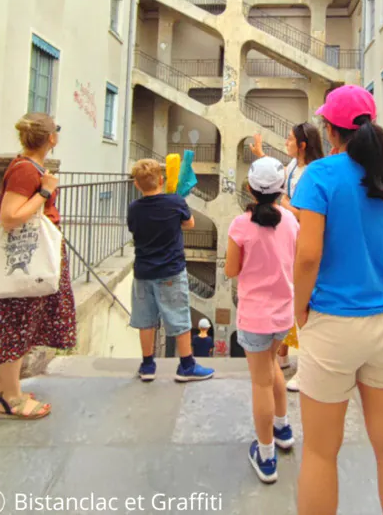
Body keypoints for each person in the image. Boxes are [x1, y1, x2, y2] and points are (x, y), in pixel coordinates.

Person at [292, 85, 383, 515]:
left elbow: (308, 254)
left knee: (320, 452)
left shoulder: (320, 176)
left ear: (330, 130)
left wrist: (298, 308)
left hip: (333, 323)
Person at [0, 113, 77, 419]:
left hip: (30, 257)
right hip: (25, 260)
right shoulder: (26, 170)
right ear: (51, 138)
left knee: (21, 324)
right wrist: (45, 191)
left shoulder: (29, 167)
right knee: (16, 325)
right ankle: (13, 400)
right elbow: (9, 216)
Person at [225, 157, 299, 484]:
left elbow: (230, 270)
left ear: (250, 189)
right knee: (271, 369)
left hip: (255, 316)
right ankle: (282, 428)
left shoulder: (240, 225)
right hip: (284, 313)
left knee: (261, 382)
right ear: (281, 188)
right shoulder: (291, 221)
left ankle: (266, 455)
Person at [249, 124, 324, 391]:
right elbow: (275, 178)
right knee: (291, 300)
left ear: (303, 145)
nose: (287, 142)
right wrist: (260, 155)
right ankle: (282, 357)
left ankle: (307, 368)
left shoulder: (315, 172)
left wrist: (284, 205)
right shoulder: (293, 166)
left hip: (308, 244)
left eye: (291, 139)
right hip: (294, 241)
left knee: (307, 305)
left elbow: (308, 213)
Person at [128, 159, 214, 383]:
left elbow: (133, 228)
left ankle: (147, 366)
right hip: (170, 271)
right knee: (179, 317)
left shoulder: (134, 208)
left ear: (137, 185)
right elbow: (190, 223)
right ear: (162, 180)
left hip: (143, 271)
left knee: (145, 320)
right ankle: (186, 366)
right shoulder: (175, 202)